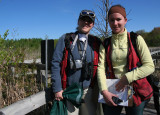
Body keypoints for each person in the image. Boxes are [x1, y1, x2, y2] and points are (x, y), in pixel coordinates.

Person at [97, 4, 155, 115]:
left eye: (118, 19)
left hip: (135, 90)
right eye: (111, 20)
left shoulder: (136, 39)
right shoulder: (105, 44)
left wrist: (127, 78)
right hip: (112, 90)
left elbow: (150, 66)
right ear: (108, 22)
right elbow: (100, 68)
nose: (115, 23)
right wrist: (104, 91)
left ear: (125, 20)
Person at [51, 9, 101, 115]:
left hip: (89, 92)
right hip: (70, 91)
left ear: (93, 24)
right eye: (83, 19)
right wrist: (57, 89)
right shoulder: (66, 39)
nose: (86, 23)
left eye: (89, 21)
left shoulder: (96, 42)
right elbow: (55, 63)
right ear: (78, 21)